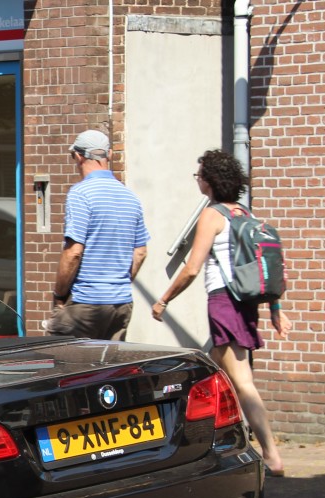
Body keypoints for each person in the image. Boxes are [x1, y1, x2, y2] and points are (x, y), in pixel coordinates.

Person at [152, 149, 290, 475]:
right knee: (208, 371)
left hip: (224, 303)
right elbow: (267, 269)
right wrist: (274, 308)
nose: (197, 179)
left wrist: (164, 300)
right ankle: (204, 444)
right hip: (245, 305)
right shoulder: (246, 214)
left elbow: (191, 268)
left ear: (210, 181)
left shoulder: (212, 215)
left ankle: (271, 454)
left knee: (242, 382)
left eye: (199, 175)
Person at [46, 130, 149, 340]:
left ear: (79, 156)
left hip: (87, 302)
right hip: (121, 304)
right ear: (109, 154)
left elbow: (74, 253)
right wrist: (118, 284)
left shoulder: (81, 194)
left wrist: (59, 295)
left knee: (60, 360)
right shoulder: (130, 197)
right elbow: (140, 252)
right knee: (110, 369)